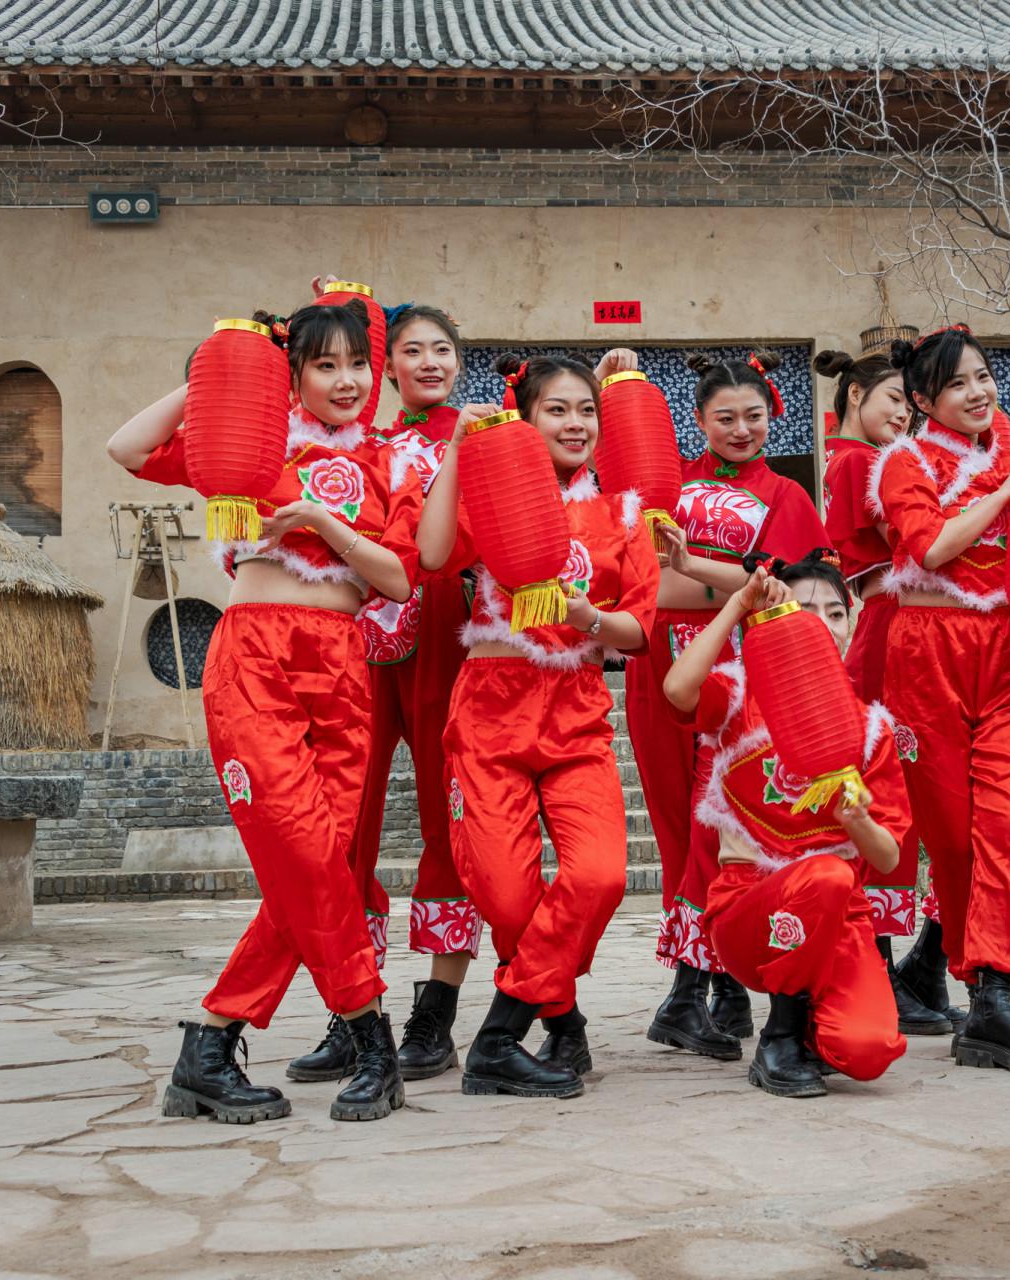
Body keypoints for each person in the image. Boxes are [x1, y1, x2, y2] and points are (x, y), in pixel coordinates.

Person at [108, 301, 420, 1122]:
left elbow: (396, 578)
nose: (346, 381)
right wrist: (216, 372)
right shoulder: (252, 444)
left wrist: (320, 521)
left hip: (341, 667)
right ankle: (373, 1040)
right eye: (324, 365)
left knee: (316, 862)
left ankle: (208, 1047)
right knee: (306, 853)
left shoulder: (391, 460)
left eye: (358, 363)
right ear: (294, 373)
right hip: (253, 659)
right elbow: (127, 448)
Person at [417, 352, 659, 1098]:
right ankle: (561, 1019)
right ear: (525, 421)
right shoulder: (491, 498)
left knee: (600, 875)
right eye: (557, 410)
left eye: (587, 410)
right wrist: (458, 448)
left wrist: (589, 616)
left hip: (575, 706)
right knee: (506, 896)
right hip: (490, 704)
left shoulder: (622, 513)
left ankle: (497, 1036)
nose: (576, 424)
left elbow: (639, 629)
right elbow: (432, 554)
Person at [286, 301, 480, 1088]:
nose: (429, 362)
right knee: (344, 824)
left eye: (443, 349)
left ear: (458, 361)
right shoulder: (363, 446)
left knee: (448, 817)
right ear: (386, 366)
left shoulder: (484, 438)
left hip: (448, 630)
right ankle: (352, 1009)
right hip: (357, 637)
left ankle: (435, 1012)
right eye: (411, 350)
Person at [873, 323, 1010, 1073]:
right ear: (924, 402)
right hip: (928, 653)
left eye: (983, 376)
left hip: (1009, 655)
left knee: (1008, 824)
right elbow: (930, 548)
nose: (977, 392)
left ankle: (993, 994)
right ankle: (957, 970)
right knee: (954, 839)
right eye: (957, 384)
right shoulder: (903, 463)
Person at [627, 350, 824, 1059]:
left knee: (721, 818)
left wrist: (691, 579)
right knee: (677, 825)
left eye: (754, 417)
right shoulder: (667, 487)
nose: (742, 430)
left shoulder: (788, 496)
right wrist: (731, 581)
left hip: (741, 672)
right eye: (725, 418)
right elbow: (637, 578)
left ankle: (693, 989)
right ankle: (720, 984)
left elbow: (785, 586)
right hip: (660, 667)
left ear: (773, 417)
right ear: (698, 420)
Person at [664, 552, 908, 1096]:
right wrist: (737, 605)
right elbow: (678, 689)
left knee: (868, 1050)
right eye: (804, 608)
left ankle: (815, 1022)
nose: (821, 622)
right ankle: (780, 1032)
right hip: (747, 910)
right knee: (828, 874)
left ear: (850, 625)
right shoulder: (739, 695)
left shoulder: (871, 732)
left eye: (835, 613)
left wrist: (858, 821)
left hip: (837, 915)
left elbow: (888, 855)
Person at [816, 350, 961, 1036]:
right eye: (893, 399)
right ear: (854, 394)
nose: (904, 414)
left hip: (908, 622)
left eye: (910, 403)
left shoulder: (874, 460)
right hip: (889, 623)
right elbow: (917, 540)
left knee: (920, 794)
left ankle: (923, 961)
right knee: (890, 790)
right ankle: (881, 967)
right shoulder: (857, 463)